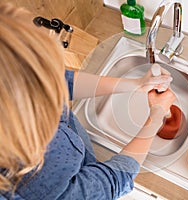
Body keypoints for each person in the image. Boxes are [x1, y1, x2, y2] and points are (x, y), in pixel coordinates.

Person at [0, 3, 175, 200]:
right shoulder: (29, 184)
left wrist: (136, 84)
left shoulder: (13, 75)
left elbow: (61, 81)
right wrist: (156, 117)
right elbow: (109, 183)